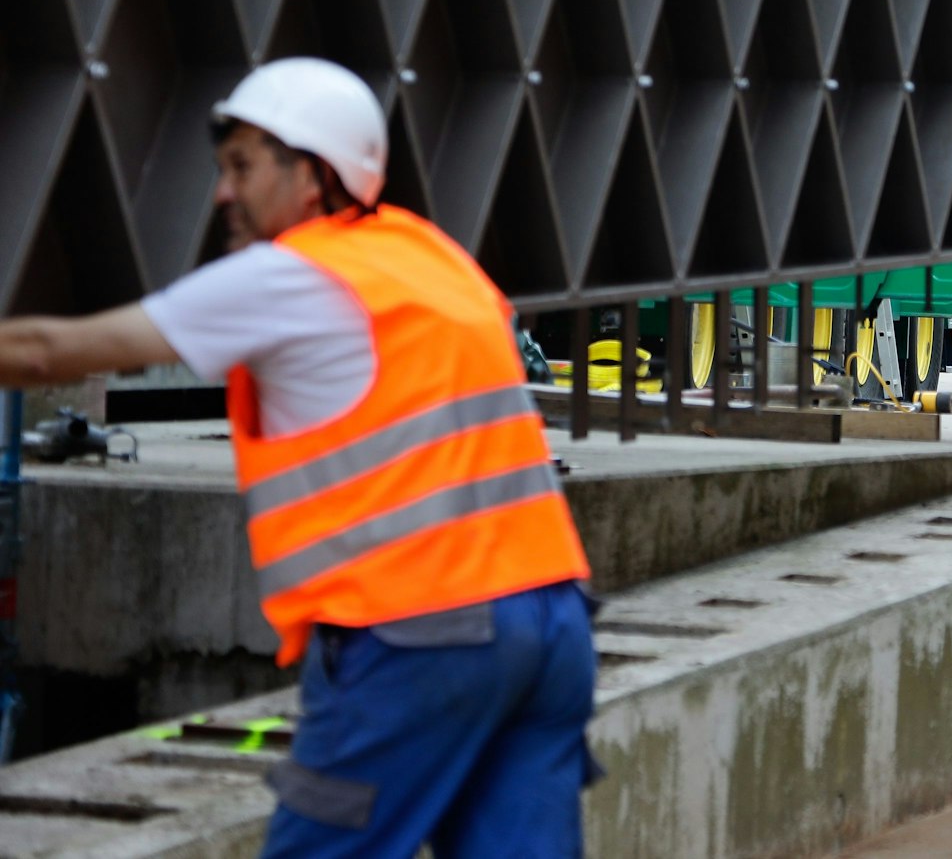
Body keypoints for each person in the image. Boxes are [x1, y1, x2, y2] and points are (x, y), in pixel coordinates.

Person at [0, 58, 599, 855]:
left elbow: (46, 352)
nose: (222, 192)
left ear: (314, 172)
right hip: (553, 627)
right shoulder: (437, 258)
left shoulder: (291, 276)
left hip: (419, 636)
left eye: (243, 166)